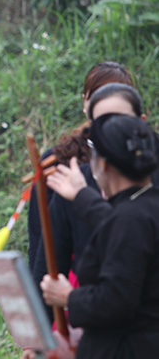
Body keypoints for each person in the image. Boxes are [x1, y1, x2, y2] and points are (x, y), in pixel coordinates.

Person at [40, 113, 159, 357]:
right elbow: (118, 227)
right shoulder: (144, 207)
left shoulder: (130, 220)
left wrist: (69, 297)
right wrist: (82, 195)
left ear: (102, 165)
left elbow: (117, 301)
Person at [26, 61, 133, 271]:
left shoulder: (147, 158)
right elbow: (40, 235)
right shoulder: (57, 162)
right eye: (98, 97)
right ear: (85, 103)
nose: (107, 108)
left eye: (116, 98)